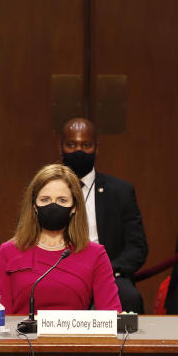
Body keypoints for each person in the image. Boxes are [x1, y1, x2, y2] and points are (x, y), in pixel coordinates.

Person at [0, 164, 122, 315]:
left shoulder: (95, 254)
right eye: (45, 199)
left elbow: (112, 317)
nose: (53, 206)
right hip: (22, 337)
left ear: (74, 207)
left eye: (62, 200)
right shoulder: (9, 251)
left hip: (75, 337)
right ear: (34, 205)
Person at [59, 118, 148, 313]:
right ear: (61, 147)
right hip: (58, 271)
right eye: (71, 145)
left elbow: (137, 247)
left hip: (108, 273)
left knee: (130, 298)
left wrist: (107, 270)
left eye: (86, 145)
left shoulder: (121, 191)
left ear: (97, 148)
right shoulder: (45, 191)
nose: (78, 151)